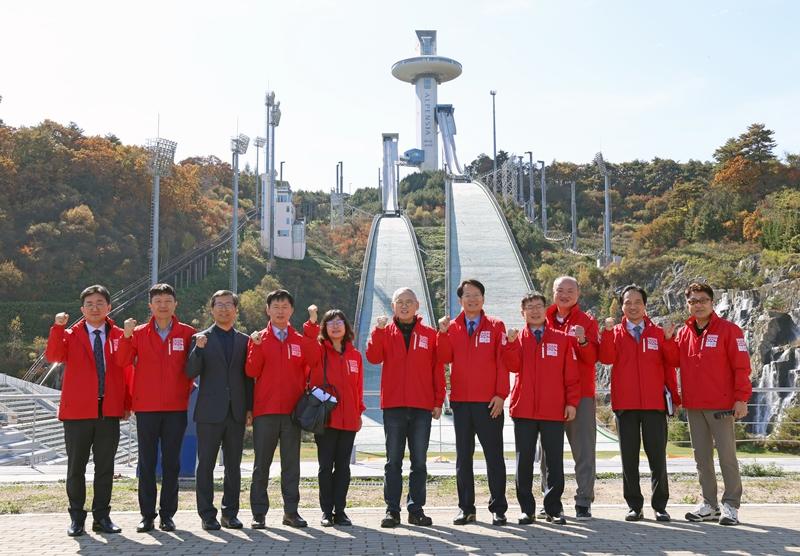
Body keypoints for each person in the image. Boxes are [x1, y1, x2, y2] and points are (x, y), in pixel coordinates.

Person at [45, 284, 129, 537]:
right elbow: (53, 355)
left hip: (109, 411)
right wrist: (57, 328)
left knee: (105, 467)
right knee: (76, 467)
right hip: (77, 412)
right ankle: (76, 518)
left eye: (100, 303)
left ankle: (102, 516)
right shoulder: (70, 334)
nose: (95, 308)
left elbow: (125, 367)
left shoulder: (117, 334)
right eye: (90, 304)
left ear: (109, 307)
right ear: (82, 309)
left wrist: (126, 404)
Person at [668, 283, 752, 526]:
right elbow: (673, 361)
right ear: (688, 304)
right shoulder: (683, 333)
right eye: (693, 301)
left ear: (712, 302)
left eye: (703, 300)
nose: (698, 304)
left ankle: (731, 505)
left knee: (727, 457)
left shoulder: (730, 330)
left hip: (722, 405)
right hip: (694, 405)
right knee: (701, 459)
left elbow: (742, 367)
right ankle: (709, 505)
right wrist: (667, 339)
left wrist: (741, 399)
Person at [115, 283, 196, 533]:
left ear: (175, 304)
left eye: (167, 301)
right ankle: (147, 515)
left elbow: (194, 367)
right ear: (150, 305)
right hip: (147, 408)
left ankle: (167, 515)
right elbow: (122, 361)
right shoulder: (137, 333)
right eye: (158, 301)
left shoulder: (187, 333)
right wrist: (126, 337)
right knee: (147, 462)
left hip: (176, 408)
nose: (163, 305)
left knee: (172, 463)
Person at [598, 285, 681, 522]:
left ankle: (660, 505)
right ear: (621, 306)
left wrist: (667, 339)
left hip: (654, 404)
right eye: (627, 302)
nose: (632, 306)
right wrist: (604, 332)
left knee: (657, 457)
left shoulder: (657, 333)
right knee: (629, 458)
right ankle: (634, 505)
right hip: (626, 405)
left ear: (645, 306)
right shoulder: (614, 332)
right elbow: (605, 358)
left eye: (637, 302)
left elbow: (673, 361)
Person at [366, 287, 445, 528]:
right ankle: (392, 510)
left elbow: (437, 369)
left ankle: (416, 509)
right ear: (393, 306)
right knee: (393, 461)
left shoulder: (430, 334)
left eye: (409, 301)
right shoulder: (385, 332)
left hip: (421, 406)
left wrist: (437, 401)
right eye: (399, 301)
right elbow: (373, 357)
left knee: (419, 461)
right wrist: (378, 332)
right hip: (394, 405)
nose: (404, 305)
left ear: (417, 305)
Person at [437, 278, 509, 526]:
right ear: (460, 300)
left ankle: (498, 508)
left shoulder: (496, 326)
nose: (472, 299)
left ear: (483, 298)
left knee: (494, 457)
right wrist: (443, 334)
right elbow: (444, 357)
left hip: (490, 403)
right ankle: (466, 508)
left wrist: (501, 394)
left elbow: (503, 362)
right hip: (461, 403)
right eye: (467, 295)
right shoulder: (453, 327)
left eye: (476, 294)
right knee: (463, 458)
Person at [503, 292, 580, 525]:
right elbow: (512, 365)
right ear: (522, 312)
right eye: (529, 307)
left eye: (538, 306)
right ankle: (527, 509)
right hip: (524, 409)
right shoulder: (518, 338)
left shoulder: (562, 339)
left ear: (546, 309)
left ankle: (553, 508)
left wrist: (571, 403)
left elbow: (572, 376)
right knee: (523, 461)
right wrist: (511, 344)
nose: (534, 311)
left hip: (553, 409)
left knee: (554, 461)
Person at [246, 289, 320, 529]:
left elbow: (314, 359)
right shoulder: (258, 338)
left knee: (291, 465)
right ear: (267, 310)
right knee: (261, 466)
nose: (280, 311)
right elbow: (251, 371)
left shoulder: (299, 339)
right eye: (275, 306)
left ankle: (291, 512)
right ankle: (259, 514)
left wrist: (311, 327)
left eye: (285, 306)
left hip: (292, 413)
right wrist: (256, 347)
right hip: (265, 411)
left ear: (292, 311)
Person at [185, 290, 253, 531]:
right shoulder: (200, 338)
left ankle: (230, 513)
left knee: (233, 466)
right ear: (211, 309)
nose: (224, 309)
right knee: (206, 465)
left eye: (228, 305)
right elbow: (190, 371)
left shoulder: (245, 340)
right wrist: (199, 349)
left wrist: (249, 408)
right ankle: (207, 515)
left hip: (236, 411)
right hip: (209, 412)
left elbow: (248, 378)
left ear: (236, 310)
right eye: (219, 305)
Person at [542, 276, 599, 520]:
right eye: (560, 290)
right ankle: (550, 500)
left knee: (584, 451)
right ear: (553, 292)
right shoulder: (542, 318)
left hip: (582, 395)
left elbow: (593, 357)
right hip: (550, 394)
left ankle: (583, 500)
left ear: (578, 293)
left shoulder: (586, 321)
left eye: (570, 290)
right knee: (548, 453)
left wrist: (583, 340)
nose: (565, 295)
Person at [304, 309, 365, 527]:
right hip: (326, 418)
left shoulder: (355, 355)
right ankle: (326, 512)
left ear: (347, 327)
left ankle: (340, 510)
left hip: (348, 419)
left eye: (340, 321)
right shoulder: (320, 351)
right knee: (325, 466)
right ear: (325, 328)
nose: (336, 325)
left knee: (343, 467)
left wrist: (359, 412)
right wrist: (311, 323)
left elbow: (358, 387)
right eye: (330, 322)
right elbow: (308, 350)